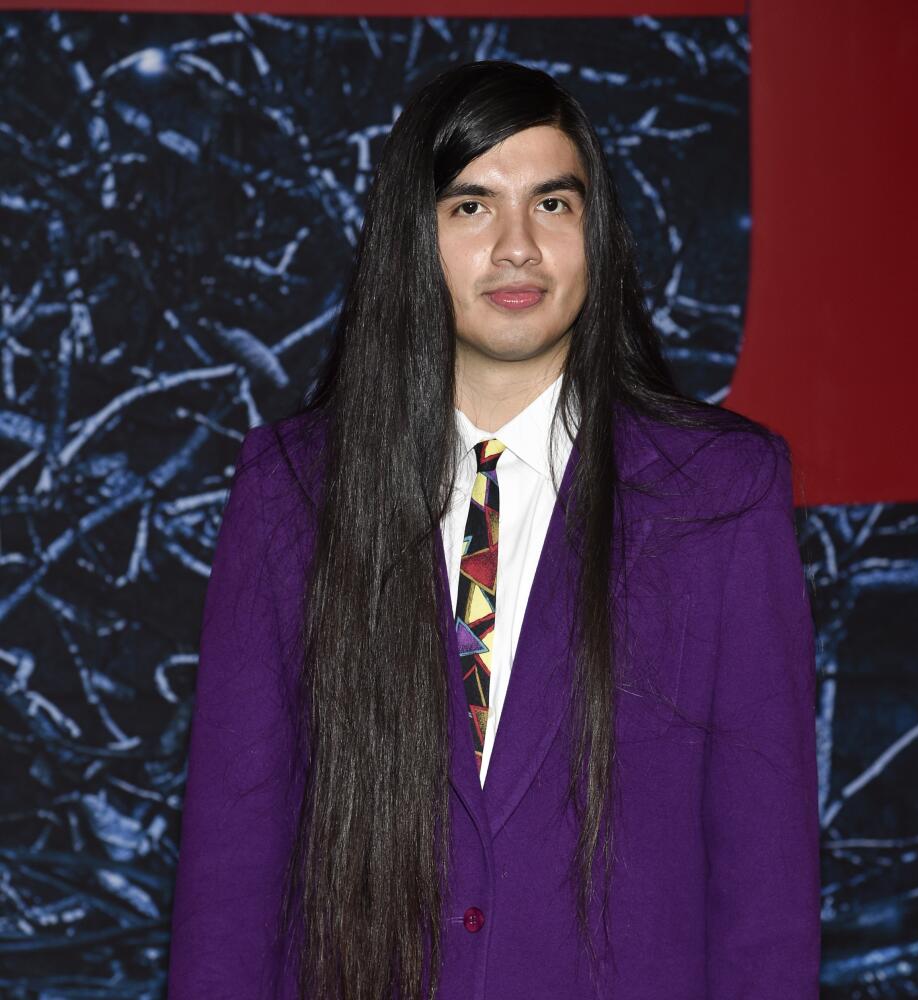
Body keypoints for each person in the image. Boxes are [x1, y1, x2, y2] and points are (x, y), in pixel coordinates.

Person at [167, 59, 820, 1000]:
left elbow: (767, 887)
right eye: (472, 206)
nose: (518, 247)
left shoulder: (720, 492)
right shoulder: (290, 491)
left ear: (596, 233)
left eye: (553, 205)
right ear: (414, 237)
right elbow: (232, 872)